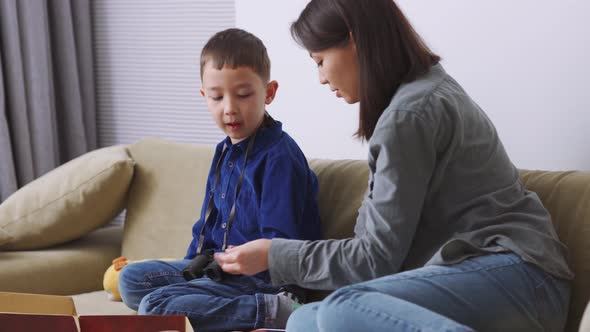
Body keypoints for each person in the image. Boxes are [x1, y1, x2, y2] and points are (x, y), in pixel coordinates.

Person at [213, 1, 573, 331]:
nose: (321, 78)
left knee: (342, 309)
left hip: (522, 277)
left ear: (354, 42)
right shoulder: (413, 98)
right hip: (477, 277)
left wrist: (274, 254)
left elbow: (374, 259)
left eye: (320, 60)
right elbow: (375, 250)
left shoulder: (409, 114)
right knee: (304, 322)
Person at [118, 28, 322, 331]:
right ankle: (203, 302)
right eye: (216, 97)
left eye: (243, 95)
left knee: (154, 305)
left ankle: (271, 310)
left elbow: (282, 245)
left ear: (269, 92)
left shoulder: (280, 157)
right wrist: (190, 273)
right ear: (204, 96)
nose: (229, 108)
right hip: (218, 270)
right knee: (132, 279)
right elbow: (208, 225)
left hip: (261, 281)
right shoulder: (224, 150)